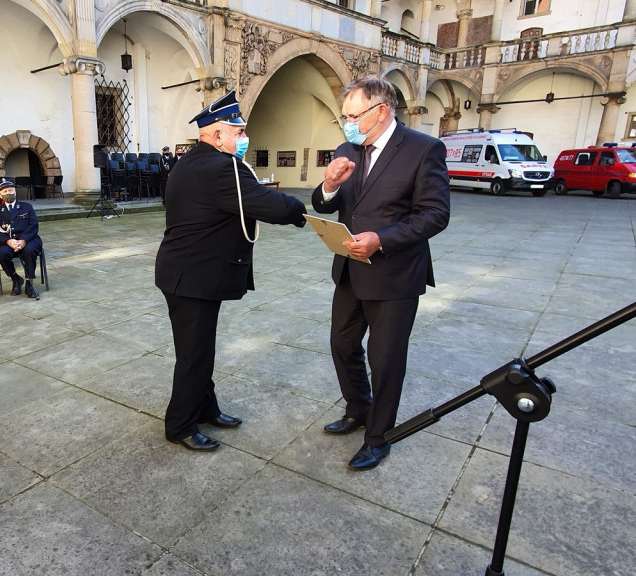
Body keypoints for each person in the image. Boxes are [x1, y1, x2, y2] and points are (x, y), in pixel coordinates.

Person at [155, 90, 307, 452]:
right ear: (216, 135)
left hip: (189, 273)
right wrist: (297, 208)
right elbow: (267, 204)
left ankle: (206, 408)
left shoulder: (193, 161)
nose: (243, 139)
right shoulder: (220, 168)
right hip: (192, 277)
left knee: (199, 350)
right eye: (237, 132)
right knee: (194, 355)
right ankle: (180, 425)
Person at [312, 75, 450, 471]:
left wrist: (382, 238)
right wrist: (328, 185)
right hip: (351, 270)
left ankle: (378, 436)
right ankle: (358, 408)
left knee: (386, 359)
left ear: (381, 111)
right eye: (344, 117)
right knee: (342, 344)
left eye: (354, 116)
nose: (347, 124)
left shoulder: (424, 150)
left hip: (395, 275)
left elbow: (435, 215)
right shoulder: (346, 147)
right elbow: (324, 204)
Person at [0, 179, 42, 300]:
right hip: (8, 241)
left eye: (11, 190)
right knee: (1, 254)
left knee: (29, 250)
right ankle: (16, 279)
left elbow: (33, 226)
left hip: (29, 239)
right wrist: (9, 241)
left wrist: (23, 240)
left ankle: (29, 282)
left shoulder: (27, 207)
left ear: (15, 191)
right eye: (5, 191)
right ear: (0, 194)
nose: (9, 192)